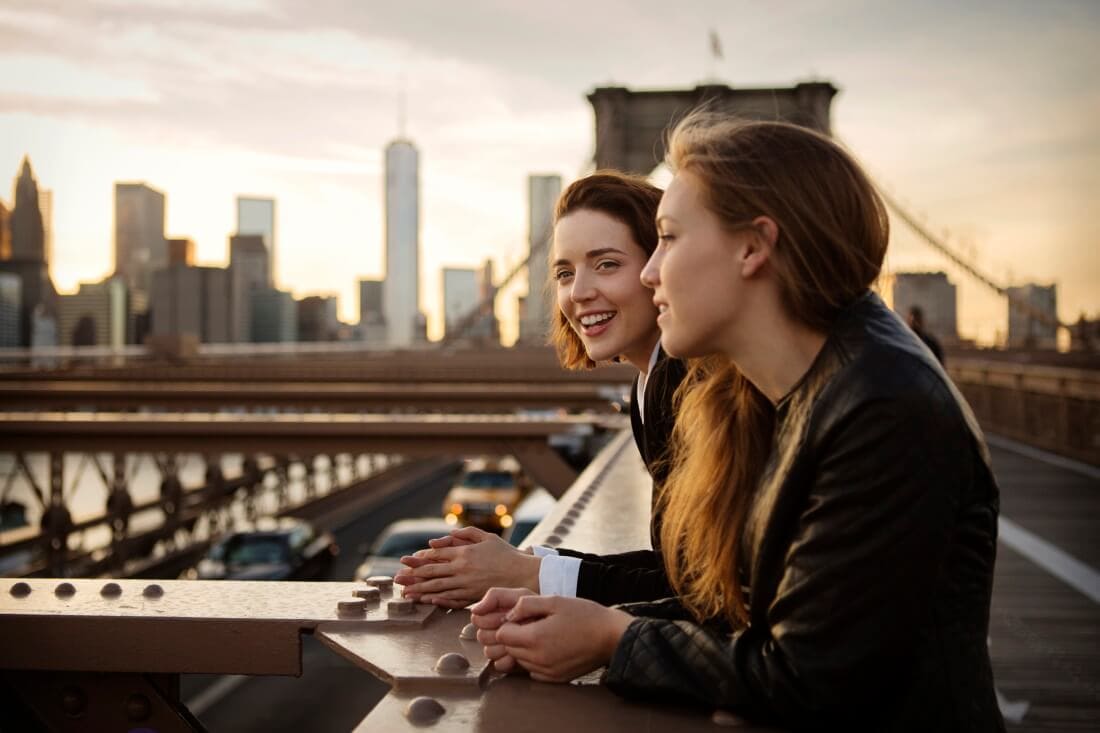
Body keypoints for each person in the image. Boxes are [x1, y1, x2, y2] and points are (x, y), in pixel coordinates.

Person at [471, 114, 1004, 731]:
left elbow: (808, 678)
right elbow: (739, 609)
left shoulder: (882, 410)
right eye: (564, 272)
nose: (650, 272)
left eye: (667, 238)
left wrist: (614, 639)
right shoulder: (808, 388)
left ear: (753, 247)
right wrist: (572, 613)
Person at [396, 171, 687, 608]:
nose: (579, 293)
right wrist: (530, 564)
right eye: (565, 273)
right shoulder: (650, 384)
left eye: (607, 263)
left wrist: (532, 573)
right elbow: (681, 572)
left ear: (659, 268)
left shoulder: (685, 383)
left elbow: (708, 595)